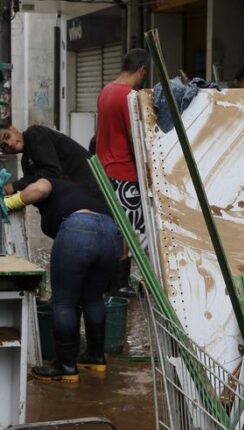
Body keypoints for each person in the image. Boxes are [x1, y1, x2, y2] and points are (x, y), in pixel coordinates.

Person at [3, 177, 121, 382]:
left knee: (64, 301)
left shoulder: (49, 182)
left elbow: (40, 188)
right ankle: (96, 357)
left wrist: (9, 202)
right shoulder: (78, 192)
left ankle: (65, 366)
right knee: (93, 298)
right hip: (111, 233)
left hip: (79, 230)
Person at [96, 47, 149, 295]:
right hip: (125, 171)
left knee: (112, 225)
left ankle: (107, 280)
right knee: (128, 229)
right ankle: (119, 283)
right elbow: (132, 135)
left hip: (105, 169)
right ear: (141, 71)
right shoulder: (129, 96)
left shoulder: (105, 91)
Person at [0, 124, 100, 195]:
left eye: (7, 136)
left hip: (94, 188)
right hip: (78, 197)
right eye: (4, 146)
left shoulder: (34, 134)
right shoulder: (25, 161)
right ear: (6, 153)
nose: (10, 144)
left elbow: (52, 171)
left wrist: (13, 187)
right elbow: (32, 188)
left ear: (13, 129)